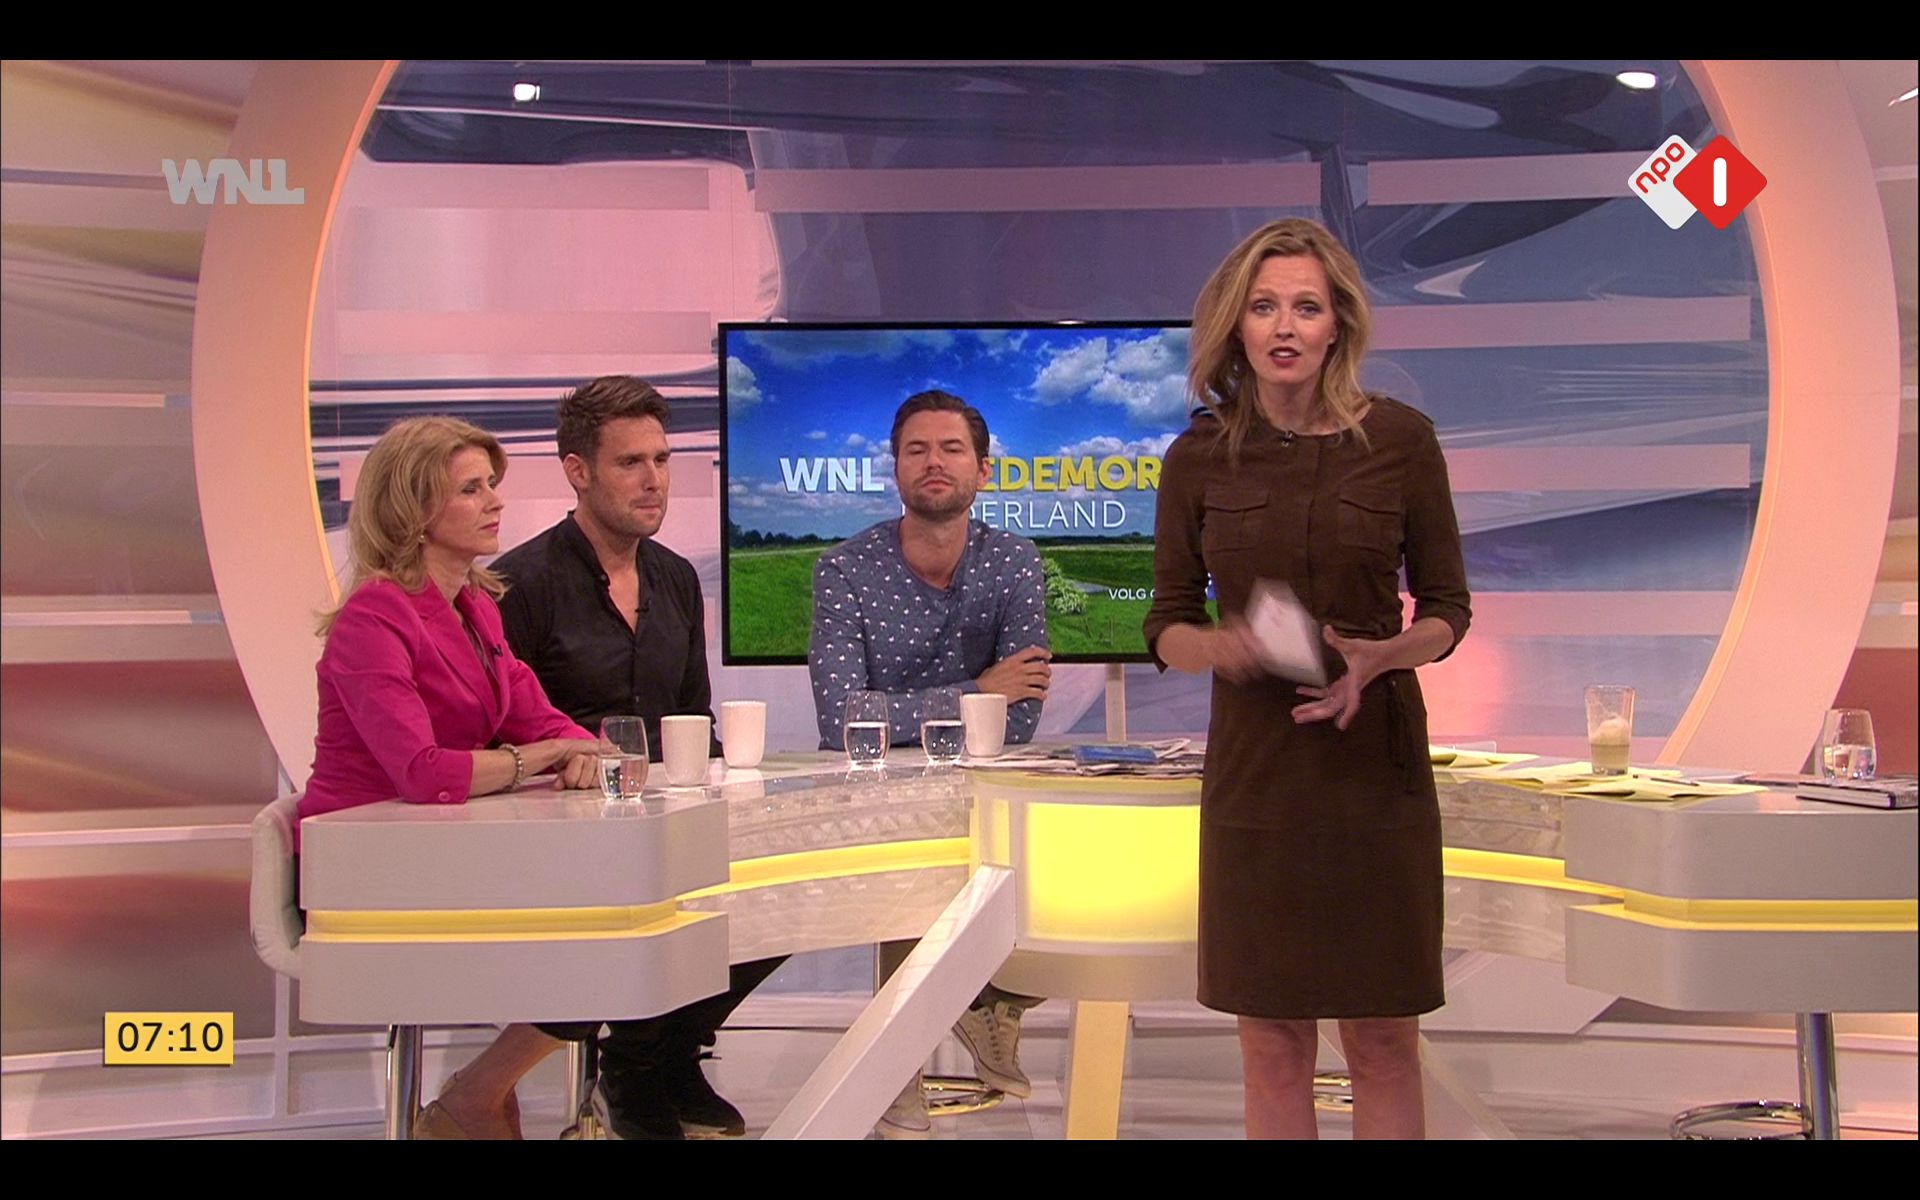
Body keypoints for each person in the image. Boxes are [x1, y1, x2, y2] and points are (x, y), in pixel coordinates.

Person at [1142, 218, 1472, 1140]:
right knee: (1273, 1043)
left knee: (1382, 1039)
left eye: (1306, 307)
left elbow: (1448, 608)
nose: (1284, 327)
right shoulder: (1198, 456)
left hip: (1374, 775)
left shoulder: (1402, 441)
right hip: (1258, 777)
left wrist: (1384, 654)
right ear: (1236, 326)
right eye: (1263, 307)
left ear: (1338, 326)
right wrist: (1221, 649)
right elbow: (1166, 622)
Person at [492, 376, 784, 1140]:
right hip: (567, 839)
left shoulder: (675, 578)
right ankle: (638, 1066)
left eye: (661, 459)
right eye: (630, 463)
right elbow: (496, 739)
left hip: (667, 824)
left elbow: (694, 720)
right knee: (652, 901)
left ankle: (662, 1056)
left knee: (787, 892)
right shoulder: (521, 585)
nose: (654, 479)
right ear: (578, 471)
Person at [300, 416, 604, 1139]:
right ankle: (476, 1098)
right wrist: (541, 758)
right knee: (596, 938)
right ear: (413, 509)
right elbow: (422, 772)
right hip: (366, 867)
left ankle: (476, 1096)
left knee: (618, 920)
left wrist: (582, 749)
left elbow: (543, 719)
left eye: (490, 484)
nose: (495, 501)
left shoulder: (476, 607)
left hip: (441, 852)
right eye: (471, 489)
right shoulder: (374, 617)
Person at [808, 389, 1053, 1137]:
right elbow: (842, 721)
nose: (934, 462)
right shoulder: (844, 569)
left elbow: (1022, 714)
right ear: (895, 468)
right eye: (917, 450)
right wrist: (976, 691)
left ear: (983, 469)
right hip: (879, 789)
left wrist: (908, 712)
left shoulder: (1015, 562)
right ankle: (901, 1065)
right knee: (909, 852)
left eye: (951, 449)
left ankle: (984, 1002)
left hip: (987, 781)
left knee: (1083, 875)